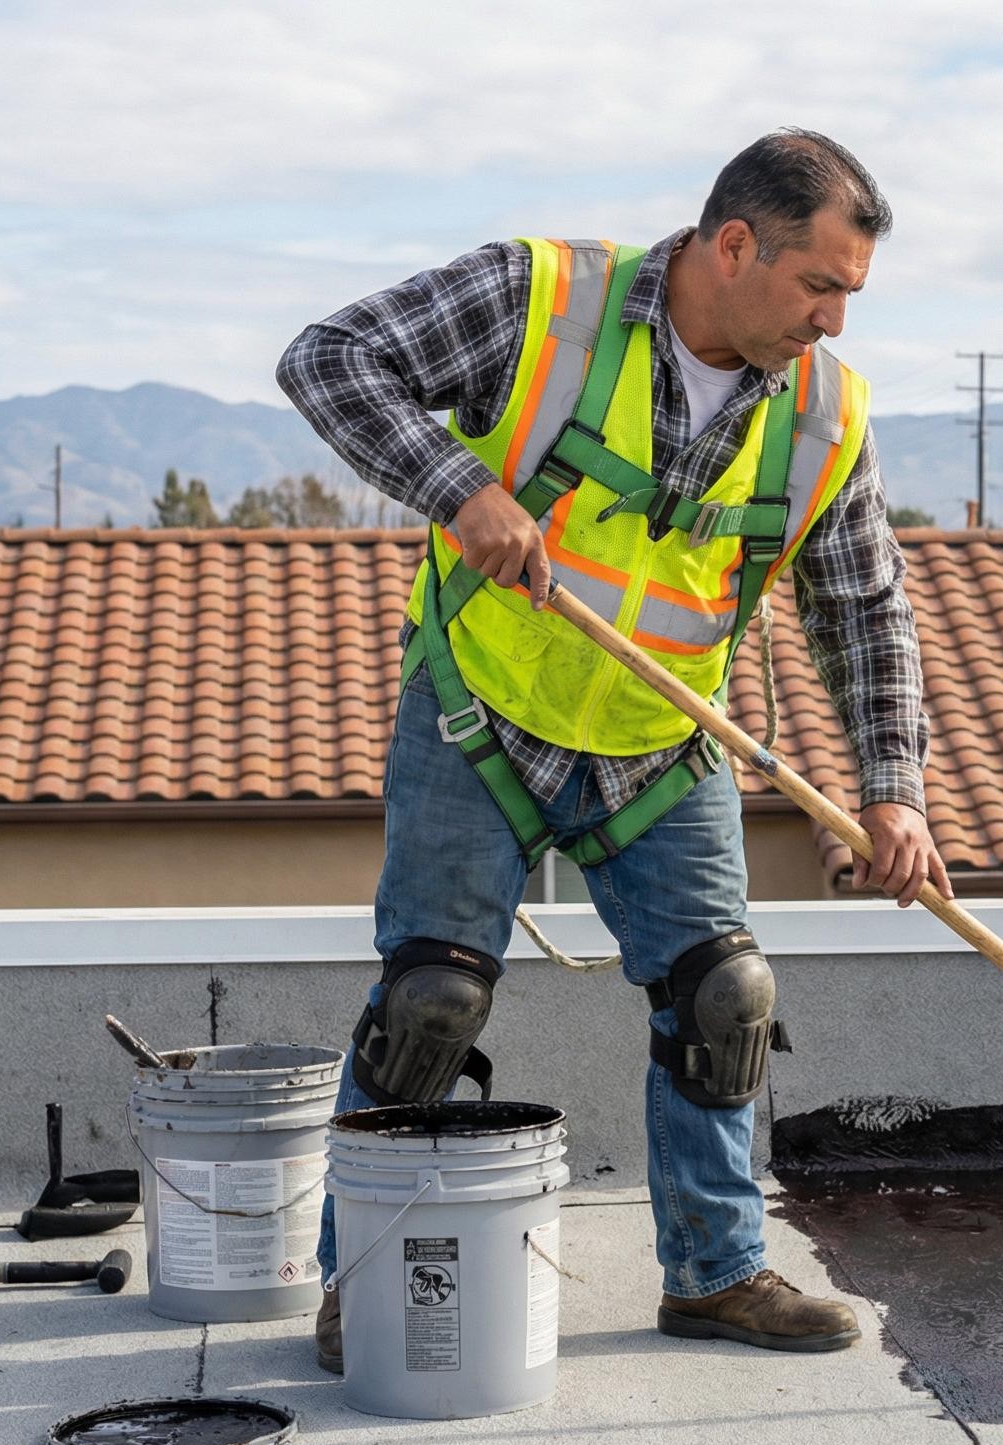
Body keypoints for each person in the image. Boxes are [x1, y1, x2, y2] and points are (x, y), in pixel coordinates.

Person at [277, 129, 947, 1372]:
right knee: (428, 1004)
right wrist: (457, 489)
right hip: (482, 706)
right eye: (821, 287)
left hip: (662, 738)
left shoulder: (822, 412)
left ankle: (716, 1273)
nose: (833, 323)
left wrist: (892, 793)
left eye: (849, 296)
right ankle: (360, 1279)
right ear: (734, 244)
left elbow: (860, 604)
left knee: (723, 998)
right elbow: (327, 360)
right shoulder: (539, 301)